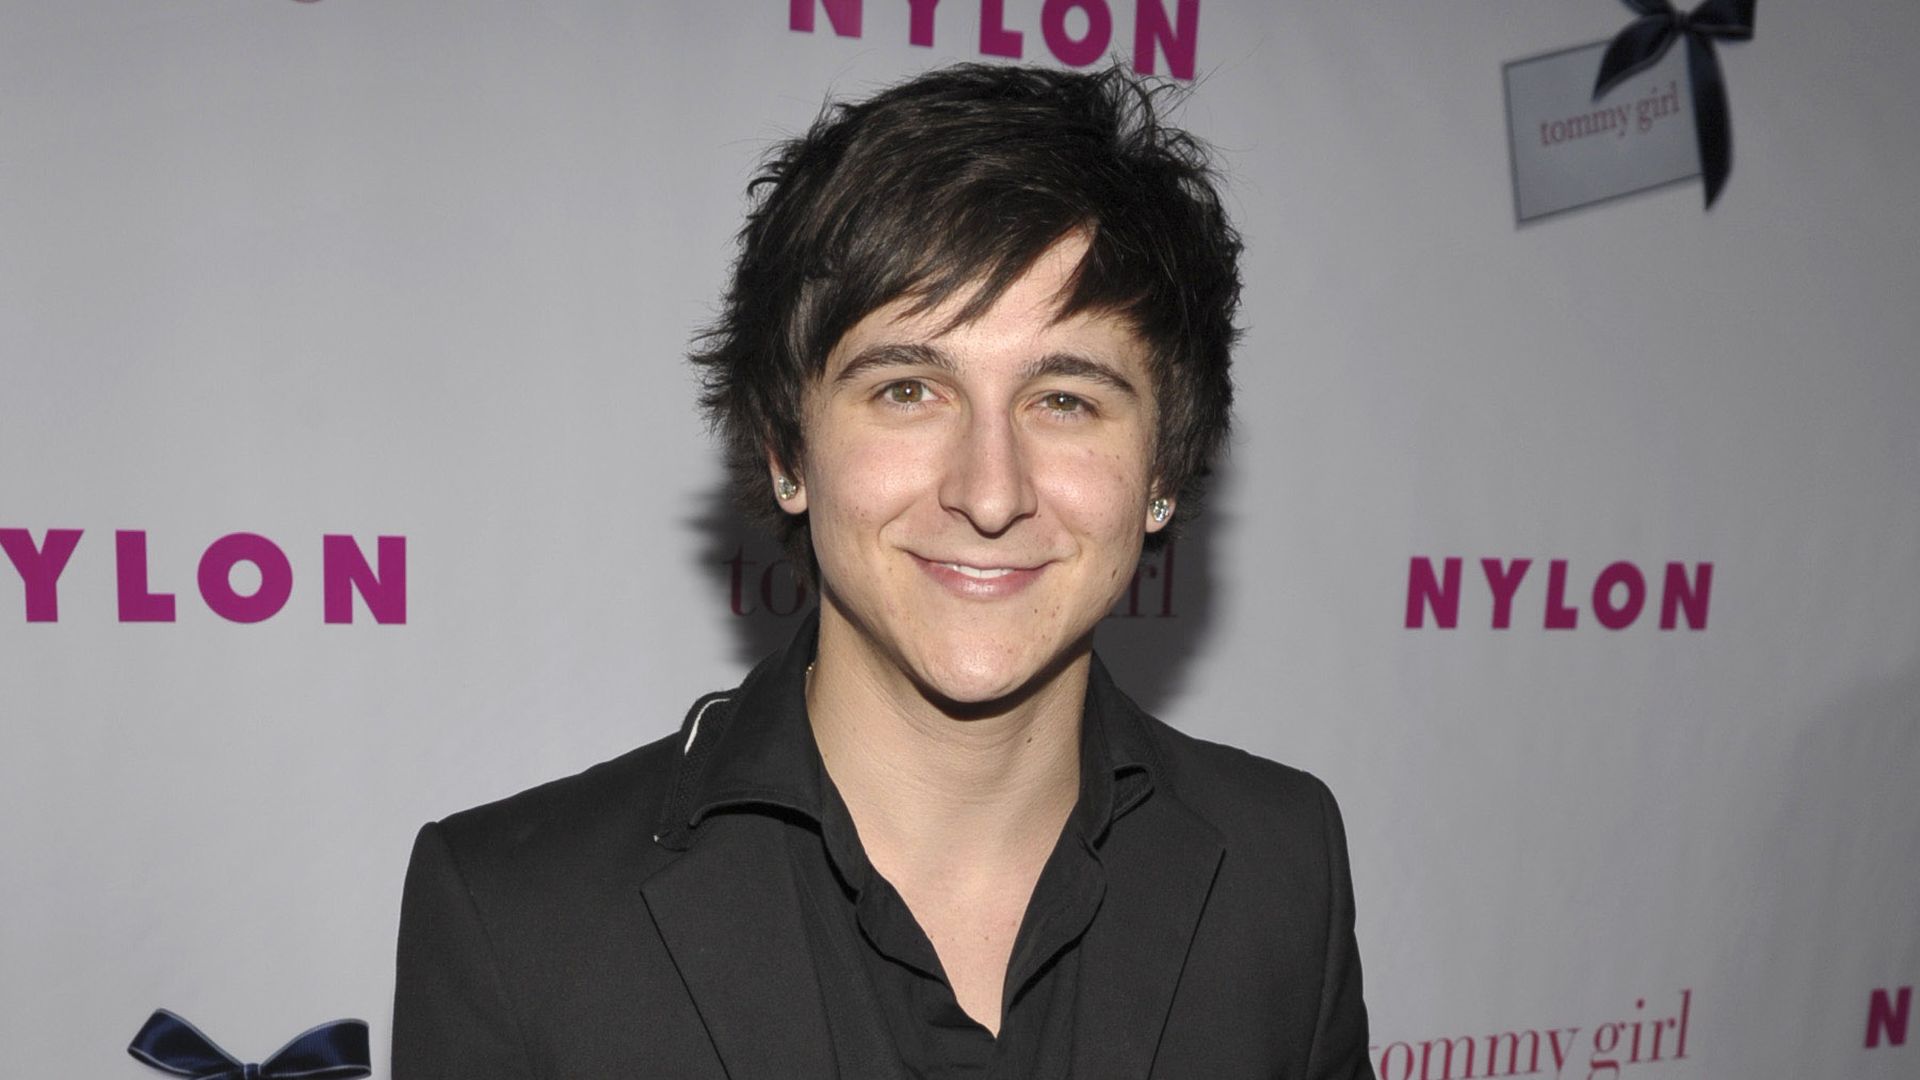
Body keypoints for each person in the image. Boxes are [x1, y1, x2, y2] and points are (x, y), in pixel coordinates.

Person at [393, 62, 1373, 1079]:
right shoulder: (517, 918)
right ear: (787, 450)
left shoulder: (1282, 864)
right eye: (909, 389)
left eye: (1065, 400)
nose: (989, 493)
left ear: (1162, 471)